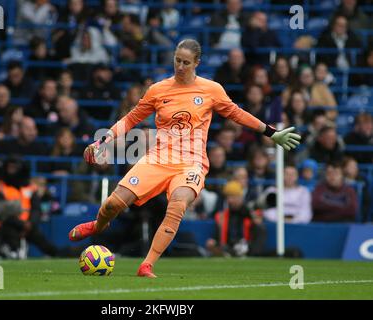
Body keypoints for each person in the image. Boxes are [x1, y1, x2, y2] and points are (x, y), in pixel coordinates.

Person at [67, 39, 301, 277]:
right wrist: (102, 140)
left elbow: (237, 114)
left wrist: (271, 132)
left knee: (177, 205)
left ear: (197, 63)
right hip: (158, 159)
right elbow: (130, 119)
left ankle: (147, 264)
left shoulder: (211, 90)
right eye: (177, 60)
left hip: (192, 162)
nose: (180, 66)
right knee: (114, 204)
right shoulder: (158, 90)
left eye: (186, 63)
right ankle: (98, 224)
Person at [206, 180, 266, 257]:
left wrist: (254, 219)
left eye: (233, 197)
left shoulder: (249, 213)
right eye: (228, 197)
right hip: (228, 247)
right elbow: (217, 236)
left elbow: (258, 231)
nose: (230, 200)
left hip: (247, 247)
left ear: (240, 197)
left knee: (260, 228)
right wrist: (213, 241)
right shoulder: (222, 216)